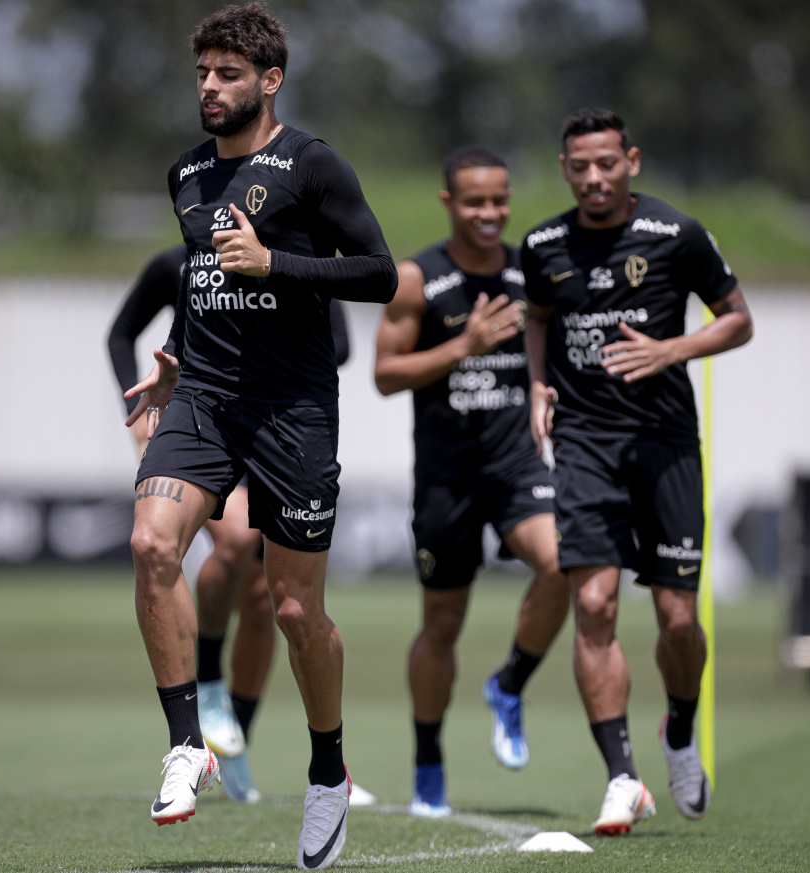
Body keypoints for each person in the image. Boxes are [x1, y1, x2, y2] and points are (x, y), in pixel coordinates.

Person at [124, 4, 397, 869]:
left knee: (293, 610)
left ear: (269, 80)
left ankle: (325, 771)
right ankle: (185, 743)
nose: (209, 86)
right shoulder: (185, 174)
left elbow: (380, 275)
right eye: (202, 71)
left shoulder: (311, 166)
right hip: (203, 398)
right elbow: (206, 280)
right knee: (150, 543)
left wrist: (277, 264)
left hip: (293, 411)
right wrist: (174, 358)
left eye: (228, 73)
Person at [522, 107, 754, 836]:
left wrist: (668, 351)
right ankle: (622, 776)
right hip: (585, 443)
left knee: (677, 619)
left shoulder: (675, 235)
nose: (593, 178)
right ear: (564, 169)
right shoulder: (541, 243)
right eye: (579, 166)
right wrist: (535, 384)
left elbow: (737, 319)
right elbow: (534, 317)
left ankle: (678, 733)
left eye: (606, 164)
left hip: (664, 443)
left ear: (632, 162)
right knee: (591, 604)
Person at [107, 245, 355, 805]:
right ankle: (209, 690)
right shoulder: (178, 259)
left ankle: (235, 741)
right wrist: (143, 407)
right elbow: (120, 333)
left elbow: (340, 343)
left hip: (280, 424)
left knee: (275, 602)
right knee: (233, 540)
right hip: (206, 423)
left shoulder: (294, 252)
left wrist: (267, 333)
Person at [374, 146, 570, 818]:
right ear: (448, 203)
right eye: (474, 202)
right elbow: (383, 374)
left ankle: (508, 684)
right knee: (441, 624)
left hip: (516, 467)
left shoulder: (532, 271)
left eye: (499, 200)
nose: (489, 213)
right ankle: (427, 760)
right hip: (445, 478)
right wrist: (463, 347)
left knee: (561, 563)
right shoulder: (416, 279)